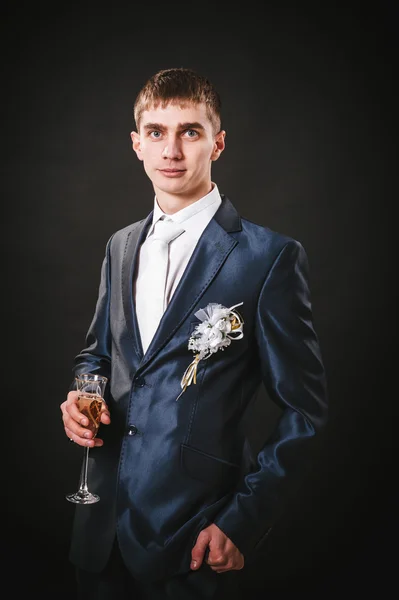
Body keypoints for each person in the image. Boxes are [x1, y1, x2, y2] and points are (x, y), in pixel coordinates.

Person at [60, 67, 328, 600]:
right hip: (99, 527)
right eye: (157, 133)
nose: (172, 150)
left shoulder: (268, 257)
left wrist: (243, 520)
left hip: (196, 534)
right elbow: (97, 355)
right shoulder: (120, 246)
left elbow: (306, 410)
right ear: (137, 144)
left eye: (191, 131)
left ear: (218, 143)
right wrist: (79, 394)